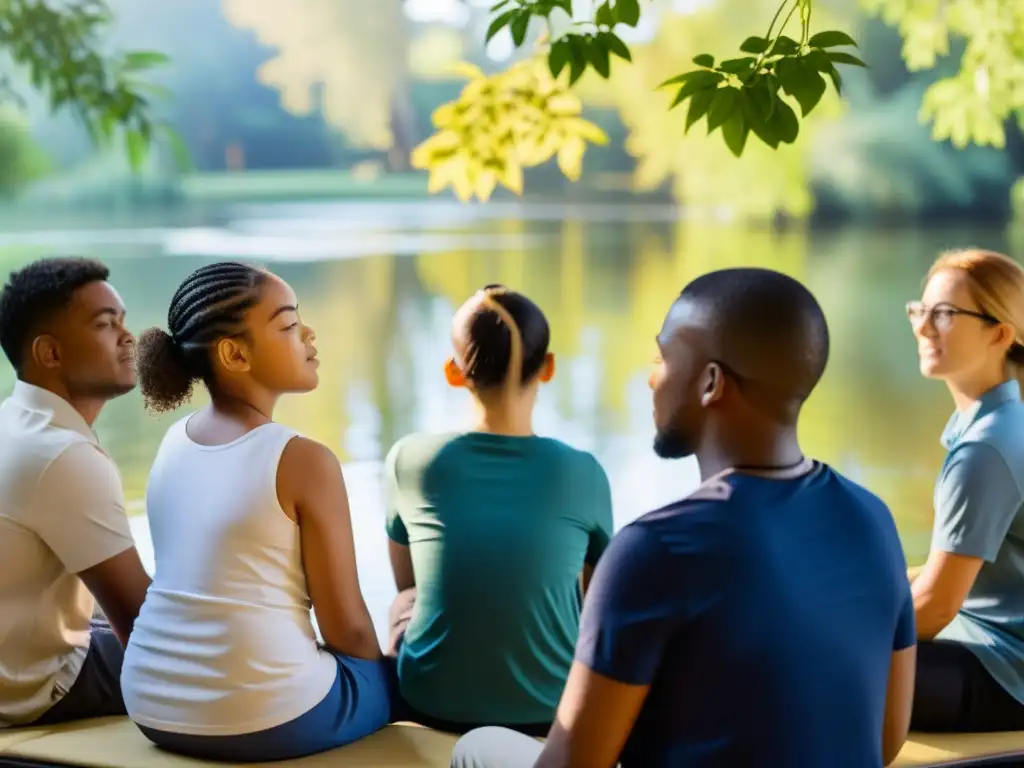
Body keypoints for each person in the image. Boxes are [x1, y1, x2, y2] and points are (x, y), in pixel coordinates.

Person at [450, 268, 916, 768]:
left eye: (662, 357)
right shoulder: (873, 518)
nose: (651, 377)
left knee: (478, 749)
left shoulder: (656, 549)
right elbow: (886, 740)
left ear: (711, 383)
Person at [120, 261, 389, 762]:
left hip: (149, 703)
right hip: (265, 715)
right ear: (234, 353)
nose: (308, 333)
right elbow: (346, 628)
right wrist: (382, 680)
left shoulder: (172, 443)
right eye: (288, 325)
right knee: (399, 673)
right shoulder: (304, 460)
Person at [384, 285, 613, 736]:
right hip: (551, 711)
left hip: (431, 703)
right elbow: (596, 602)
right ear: (547, 368)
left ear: (454, 372)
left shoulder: (410, 459)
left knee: (404, 605)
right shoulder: (582, 471)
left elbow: (410, 584)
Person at [0, 256, 151, 729]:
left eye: (123, 320)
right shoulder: (64, 456)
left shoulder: (15, 420)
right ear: (51, 354)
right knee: (226, 649)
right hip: (29, 688)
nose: (129, 337)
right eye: (107, 324)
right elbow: (144, 626)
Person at [905, 248, 1024, 732]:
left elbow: (935, 608)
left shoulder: (986, 448)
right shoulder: (998, 425)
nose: (924, 327)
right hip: (987, 647)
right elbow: (947, 572)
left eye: (946, 314)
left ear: (1000, 333)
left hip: (1005, 674)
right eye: (920, 310)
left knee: (804, 664)